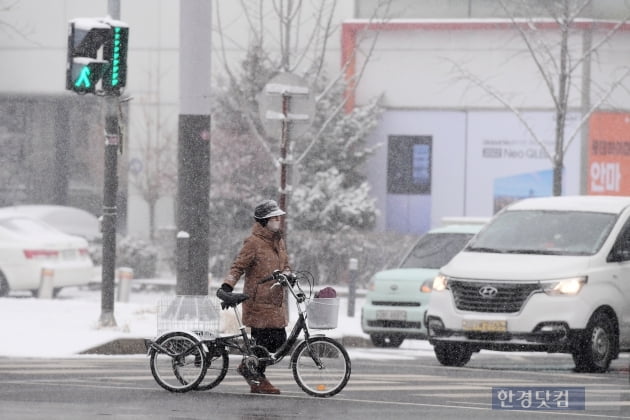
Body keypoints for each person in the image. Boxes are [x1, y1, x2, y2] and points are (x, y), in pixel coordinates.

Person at [218, 199, 291, 394]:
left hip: (275, 300)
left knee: (278, 340)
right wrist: (227, 286)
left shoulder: (279, 241)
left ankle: (250, 370)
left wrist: (288, 274)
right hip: (258, 301)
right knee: (263, 343)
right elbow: (238, 266)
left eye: (278, 217)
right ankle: (257, 377)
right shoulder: (253, 242)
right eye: (274, 217)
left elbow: (285, 265)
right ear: (264, 220)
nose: (278, 220)